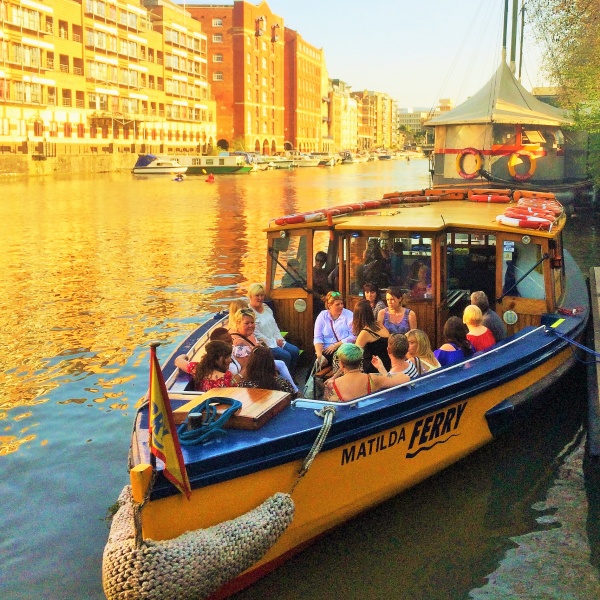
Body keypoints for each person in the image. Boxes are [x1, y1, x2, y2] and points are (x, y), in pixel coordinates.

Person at [230, 308, 298, 392]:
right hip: (255, 373)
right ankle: (295, 391)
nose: (250, 325)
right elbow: (248, 368)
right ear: (238, 323)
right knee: (281, 368)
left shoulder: (249, 335)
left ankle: (294, 389)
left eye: (252, 322)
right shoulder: (239, 345)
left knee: (282, 362)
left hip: (261, 365)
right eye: (246, 323)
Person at [323, 343, 410, 403]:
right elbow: (406, 378)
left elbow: (328, 409)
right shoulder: (373, 379)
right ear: (360, 362)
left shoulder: (331, 386)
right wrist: (381, 369)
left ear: (341, 364)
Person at [247, 283, 300, 375]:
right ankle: (282, 379)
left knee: (295, 351)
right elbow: (257, 334)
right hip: (266, 344)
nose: (260, 298)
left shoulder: (267, 308)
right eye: (257, 295)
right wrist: (274, 342)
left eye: (262, 295)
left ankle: (290, 375)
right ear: (251, 296)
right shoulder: (250, 313)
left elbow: (274, 326)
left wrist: (279, 338)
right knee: (286, 355)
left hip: (276, 340)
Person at [174, 340, 241, 391]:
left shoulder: (197, 369)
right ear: (216, 359)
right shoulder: (227, 378)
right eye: (226, 357)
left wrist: (185, 356)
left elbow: (178, 361)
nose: (230, 360)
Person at [314, 291, 356, 367]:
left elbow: (354, 336)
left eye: (342, 304)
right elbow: (318, 337)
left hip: (343, 349)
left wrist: (335, 345)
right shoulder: (322, 315)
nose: (341, 306)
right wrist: (319, 356)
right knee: (314, 366)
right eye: (337, 304)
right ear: (329, 305)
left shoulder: (349, 315)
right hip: (325, 350)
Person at [353, 299, 391, 373]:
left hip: (373, 367)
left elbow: (352, 356)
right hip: (386, 363)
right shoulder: (379, 324)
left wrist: (335, 376)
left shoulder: (365, 333)